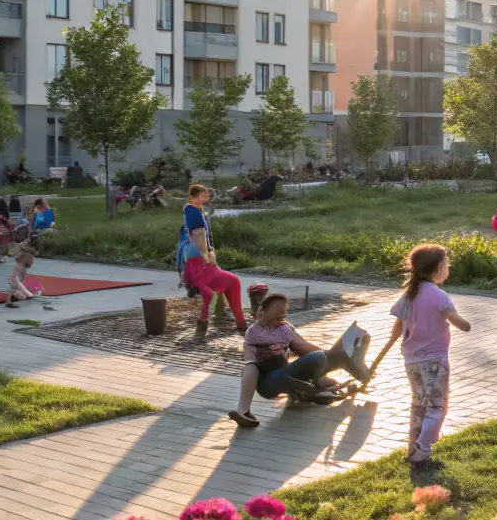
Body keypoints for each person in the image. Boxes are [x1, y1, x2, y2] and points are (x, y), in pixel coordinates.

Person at [229, 292, 371, 427]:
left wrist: (330, 354)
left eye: (283, 312)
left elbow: (304, 347)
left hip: (284, 372)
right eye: (276, 313)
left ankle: (342, 361)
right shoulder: (253, 332)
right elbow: (251, 361)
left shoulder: (284, 328)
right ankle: (244, 411)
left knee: (318, 357)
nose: (281, 316)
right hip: (268, 380)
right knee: (253, 367)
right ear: (262, 312)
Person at [387, 244, 470, 464]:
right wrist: (466, 324)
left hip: (411, 360)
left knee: (419, 403)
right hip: (434, 360)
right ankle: (423, 448)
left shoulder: (409, 294)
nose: (449, 267)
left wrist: (388, 345)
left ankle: (412, 446)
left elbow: (397, 327)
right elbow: (458, 322)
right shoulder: (439, 296)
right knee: (437, 405)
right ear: (440, 267)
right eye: (448, 263)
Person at [177, 183, 247, 331]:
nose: (206, 197)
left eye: (207, 195)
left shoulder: (197, 210)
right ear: (193, 196)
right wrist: (206, 254)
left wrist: (211, 251)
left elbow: (207, 235)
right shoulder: (192, 210)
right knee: (232, 281)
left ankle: (206, 319)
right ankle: (240, 322)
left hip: (198, 252)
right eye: (203, 195)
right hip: (197, 252)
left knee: (220, 283)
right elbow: (199, 233)